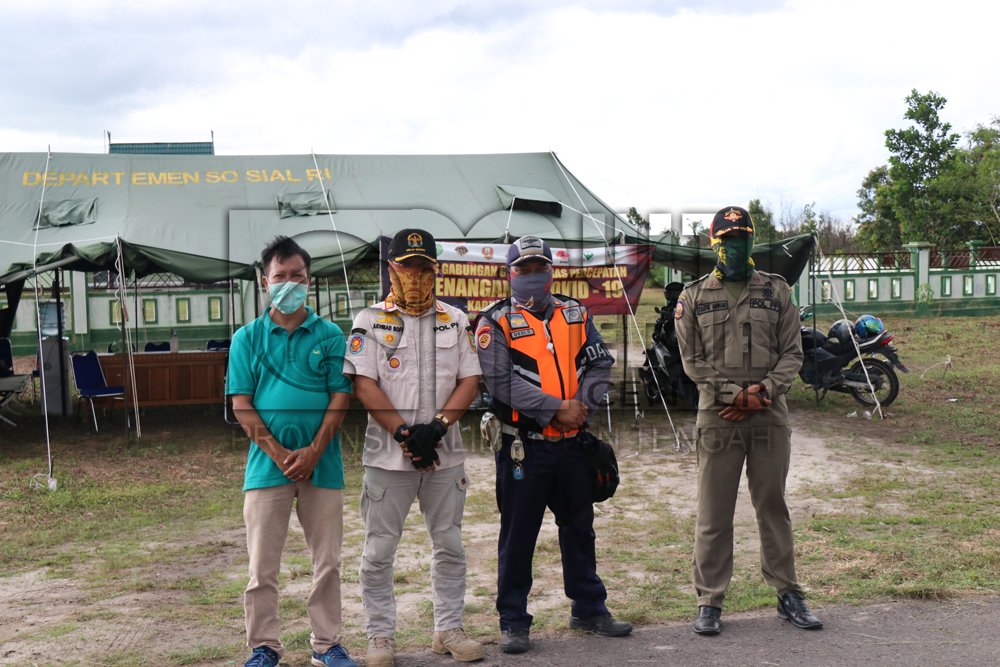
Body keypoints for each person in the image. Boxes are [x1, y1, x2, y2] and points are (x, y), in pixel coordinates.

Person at [475, 235, 632, 655]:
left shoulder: (575, 313)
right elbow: (500, 382)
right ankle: (513, 620)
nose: (532, 275)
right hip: (523, 447)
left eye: (539, 267)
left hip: (573, 445)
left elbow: (601, 362)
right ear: (509, 274)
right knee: (518, 535)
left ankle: (589, 608)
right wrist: (554, 408)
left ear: (551, 270)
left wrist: (582, 405)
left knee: (580, 529)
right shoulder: (495, 322)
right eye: (523, 268)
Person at [674, 206, 823, 636]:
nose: (734, 247)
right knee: (713, 512)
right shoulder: (694, 297)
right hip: (718, 418)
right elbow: (692, 360)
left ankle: (787, 593)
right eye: (727, 240)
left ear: (751, 242)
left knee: (773, 507)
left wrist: (762, 393)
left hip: (769, 416)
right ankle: (709, 599)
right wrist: (733, 394)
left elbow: (792, 353)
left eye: (742, 239)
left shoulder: (777, 291)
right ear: (713, 244)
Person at [344, 228, 485, 666]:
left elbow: (470, 379)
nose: (417, 276)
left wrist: (438, 428)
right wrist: (405, 434)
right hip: (388, 457)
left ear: (435, 271)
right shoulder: (369, 319)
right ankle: (381, 638)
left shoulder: (455, 319)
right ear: (392, 269)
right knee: (379, 550)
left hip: (445, 454)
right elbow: (363, 384)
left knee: (450, 545)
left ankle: (449, 628)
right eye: (408, 267)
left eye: (425, 268)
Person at [226, 236, 357, 667]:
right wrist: (281, 453)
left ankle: (327, 645)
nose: (289, 283)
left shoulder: (330, 335)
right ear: (265, 282)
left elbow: (340, 396)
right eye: (280, 276)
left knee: (328, 563)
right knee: (262, 567)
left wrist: (315, 451)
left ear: (309, 280)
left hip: (325, 467)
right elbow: (241, 404)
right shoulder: (247, 338)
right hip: (267, 469)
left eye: (296, 276)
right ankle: (264, 647)